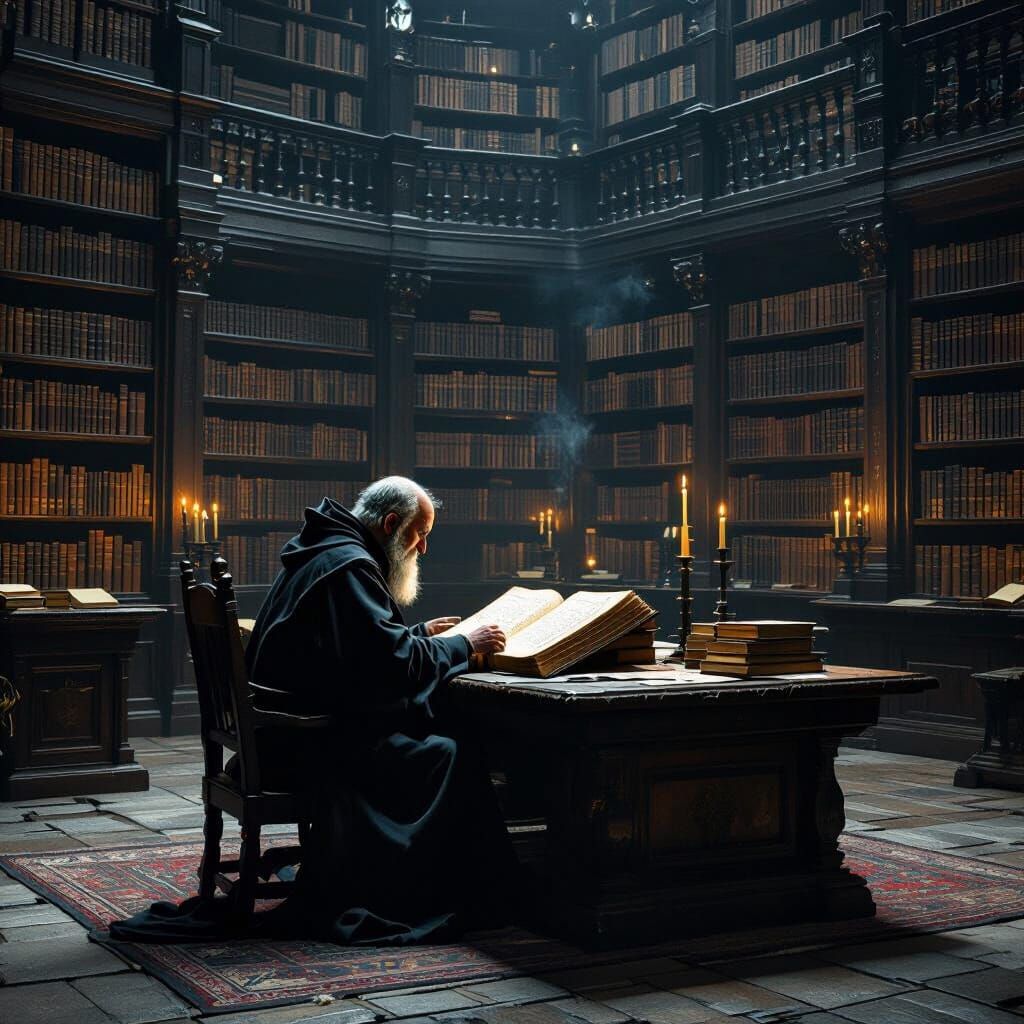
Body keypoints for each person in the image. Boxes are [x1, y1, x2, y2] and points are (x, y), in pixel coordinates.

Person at [111, 478, 514, 946]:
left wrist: (422, 634)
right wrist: (464, 644)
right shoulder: (349, 566)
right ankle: (427, 892)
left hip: (277, 736)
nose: (422, 548)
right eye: (419, 534)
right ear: (390, 524)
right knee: (448, 751)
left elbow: (352, 650)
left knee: (434, 743)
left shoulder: (325, 550)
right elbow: (389, 666)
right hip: (305, 747)